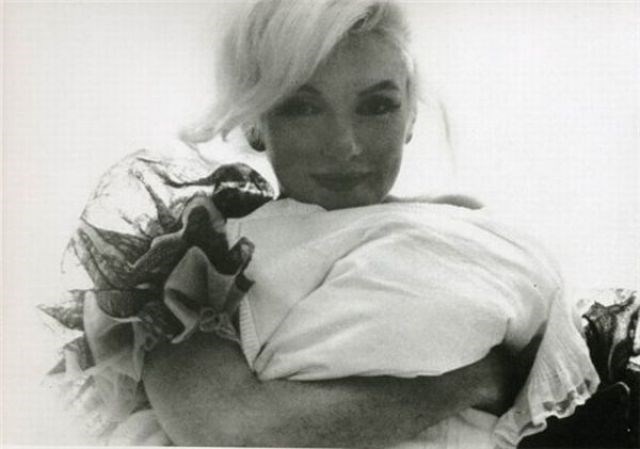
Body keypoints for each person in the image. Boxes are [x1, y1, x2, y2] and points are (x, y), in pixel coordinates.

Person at [39, 0, 636, 447]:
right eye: (302, 107)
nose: (346, 145)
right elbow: (234, 430)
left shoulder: (464, 226)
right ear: (256, 123)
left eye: (377, 106)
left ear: (410, 116)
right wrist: (473, 381)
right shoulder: (202, 250)